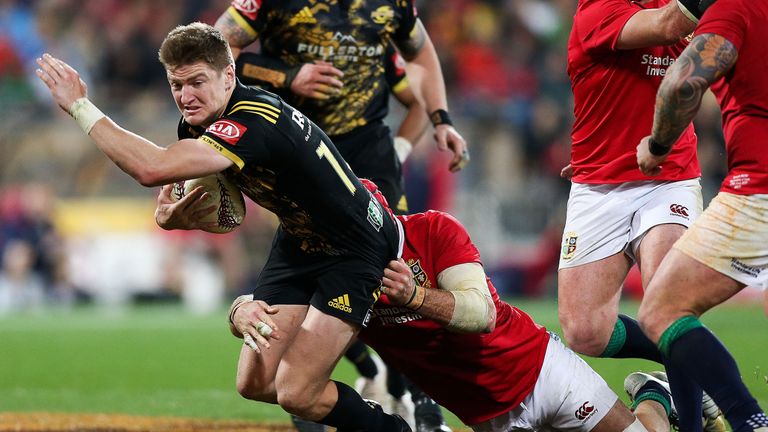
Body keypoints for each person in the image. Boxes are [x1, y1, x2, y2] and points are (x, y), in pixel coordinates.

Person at [35, 22, 411, 431]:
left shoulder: (253, 120)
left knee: (297, 391)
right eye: (176, 85)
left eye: (197, 81)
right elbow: (231, 213)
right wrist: (173, 217)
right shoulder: (197, 124)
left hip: (354, 247)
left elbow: (151, 168)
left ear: (229, 75)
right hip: (300, 239)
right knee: (254, 383)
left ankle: (395, 426)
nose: (185, 96)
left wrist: (80, 106)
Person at [229, 181, 677, 432]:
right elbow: (271, 307)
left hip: (543, 371)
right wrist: (239, 312)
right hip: (486, 415)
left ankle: (654, 392)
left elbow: (481, 313)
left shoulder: (436, 230)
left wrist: (415, 297)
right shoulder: (337, 276)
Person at [215, 1, 463, 427]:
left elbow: (420, 65)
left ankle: (421, 402)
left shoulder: (391, 9)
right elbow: (217, 51)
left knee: (400, 275)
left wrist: (438, 120)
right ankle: (324, 387)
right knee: (312, 274)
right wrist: (290, 76)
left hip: (369, 157)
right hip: (299, 157)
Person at [561, 1, 723, 430]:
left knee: (669, 302)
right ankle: (677, 368)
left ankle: (691, 423)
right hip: (597, 186)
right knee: (584, 331)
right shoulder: (598, 9)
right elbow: (670, 23)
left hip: (668, 175)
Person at [635, 0, 768, 430]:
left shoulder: (733, 9)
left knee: (661, 311)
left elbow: (681, 85)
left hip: (760, 187)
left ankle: (749, 420)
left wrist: (656, 146)